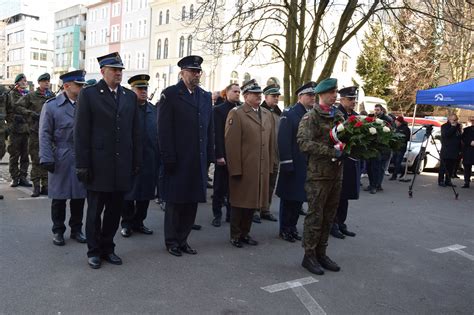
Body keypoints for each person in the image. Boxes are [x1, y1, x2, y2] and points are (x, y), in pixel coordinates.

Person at [75, 52, 142, 269]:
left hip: (121, 165)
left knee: (114, 211)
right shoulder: (90, 95)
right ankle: (93, 251)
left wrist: (136, 161)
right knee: (95, 211)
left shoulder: (129, 96)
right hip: (98, 165)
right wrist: (82, 164)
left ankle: (108, 247)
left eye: (121, 70)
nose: (119, 73)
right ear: (103, 71)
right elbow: (81, 132)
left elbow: (135, 132)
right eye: (114, 70)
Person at [158, 55, 214, 257]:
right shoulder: (171, 94)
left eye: (198, 71)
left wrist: (210, 155)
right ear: (182, 73)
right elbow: (163, 130)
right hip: (178, 158)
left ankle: (183, 240)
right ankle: (172, 241)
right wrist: (168, 157)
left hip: (197, 158)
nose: (196, 74)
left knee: (191, 202)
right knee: (175, 202)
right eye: (192, 71)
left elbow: (209, 128)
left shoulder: (205, 96)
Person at [297, 77, 344, 275]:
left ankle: (321, 253)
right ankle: (309, 256)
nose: (335, 96)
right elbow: (303, 143)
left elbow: (347, 137)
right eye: (331, 93)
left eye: (336, 92)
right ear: (321, 94)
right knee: (315, 216)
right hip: (318, 175)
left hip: (336, 174)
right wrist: (331, 151)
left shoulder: (338, 115)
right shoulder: (311, 117)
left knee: (329, 216)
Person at [39, 70, 88, 246]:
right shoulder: (51, 106)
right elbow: (44, 134)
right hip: (60, 155)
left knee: (79, 197)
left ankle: (76, 229)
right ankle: (58, 230)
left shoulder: (86, 104)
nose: (82, 88)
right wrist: (46, 157)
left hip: (80, 156)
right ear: (67, 86)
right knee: (59, 198)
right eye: (79, 85)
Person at [225, 79, 275, 248]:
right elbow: (231, 144)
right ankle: (236, 235)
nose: (259, 97)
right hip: (244, 167)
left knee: (253, 203)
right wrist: (235, 169)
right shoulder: (237, 113)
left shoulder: (267, 115)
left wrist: (270, 165)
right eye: (255, 94)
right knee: (240, 203)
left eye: (260, 94)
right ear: (246, 96)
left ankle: (245, 233)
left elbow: (270, 143)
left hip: (260, 167)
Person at [276, 82, 316, 242]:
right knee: (288, 199)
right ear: (300, 96)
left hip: (306, 164)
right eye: (309, 95)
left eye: (314, 95)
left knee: (299, 199)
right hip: (293, 162)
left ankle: (292, 228)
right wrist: (286, 162)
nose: (312, 98)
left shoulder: (312, 114)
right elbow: (283, 140)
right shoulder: (290, 114)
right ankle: (284, 229)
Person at [120, 74, 158, 238]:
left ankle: (139, 222)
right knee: (129, 194)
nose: (143, 91)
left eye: (145, 89)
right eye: (139, 89)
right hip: (130, 159)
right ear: (132, 90)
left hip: (149, 158)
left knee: (145, 194)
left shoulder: (153, 110)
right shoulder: (125, 109)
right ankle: (127, 223)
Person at [15, 73, 55, 197]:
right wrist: (30, 114)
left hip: (49, 133)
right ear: (39, 83)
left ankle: (46, 186)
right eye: (44, 81)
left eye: (48, 81)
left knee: (47, 158)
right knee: (36, 159)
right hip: (34, 132)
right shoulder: (31, 96)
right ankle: (36, 186)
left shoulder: (52, 96)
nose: (47, 83)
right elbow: (18, 106)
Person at [330, 86, 360, 239]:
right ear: (341, 99)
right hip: (338, 159)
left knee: (346, 194)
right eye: (350, 99)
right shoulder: (335, 114)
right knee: (336, 195)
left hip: (351, 160)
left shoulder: (355, 115)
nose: (353, 102)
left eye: (354, 99)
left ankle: (342, 223)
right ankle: (332, 224)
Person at [250, 83, 281, 224]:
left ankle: (265, 209)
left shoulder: (279, 113)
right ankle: (255, 209)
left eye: (277, 96)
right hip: (263, 153)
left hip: (275, 153)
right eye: (273, 96)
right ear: (266, 97)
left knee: (271, 182)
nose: (276, 98)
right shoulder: (260, 111)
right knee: (260, 182)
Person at [211, 83, 241, 227]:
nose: (237, 94)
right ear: (227, 92)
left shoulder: (241, 109)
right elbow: (217, 134)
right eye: (235, 91)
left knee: (234, 187)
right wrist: (219, 155)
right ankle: (217, 214)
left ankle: (230, 214)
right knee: (219, 187)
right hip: (224, 154)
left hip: (237, 155)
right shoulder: (219, 110)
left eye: (239, 92)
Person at [6, 73, 32, 188]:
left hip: (27, 130)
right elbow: (8, 110)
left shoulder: (28, 95)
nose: (24, 82)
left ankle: (23, 177)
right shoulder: (11, 94)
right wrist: (12, 119)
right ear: (17, 82)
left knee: (25, 156)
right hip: (15, 129)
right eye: (22, 80)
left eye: (25, 80)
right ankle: (14, 178)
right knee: (14, 155)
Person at [438, 114, 462, 187]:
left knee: (451, 167)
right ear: (449, 119)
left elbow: (459, 138)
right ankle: (441, 180)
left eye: (456, 120)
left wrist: (460, 149)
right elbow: (446, 135)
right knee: (443, 167)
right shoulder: (445, 126)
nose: (455, 121)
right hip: (446, 150)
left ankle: (448, 181)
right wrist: (453, 127)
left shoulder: (458, 127)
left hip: (455, 150)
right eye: (453, 120)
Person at [389, 116, 411, 181]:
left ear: (400, 122)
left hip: (401, 147)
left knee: (398, 161)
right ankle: (402, 170)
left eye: (397, 122)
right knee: (394, 161)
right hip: (396, 147)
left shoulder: (406, 129)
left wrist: (400, 139)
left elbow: (407, 138)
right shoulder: (397, 128)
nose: (396, 123)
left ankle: (394, 175)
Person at [461, 116, 474, 188]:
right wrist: (469, 142)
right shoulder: (466, 130)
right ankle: (466, 182)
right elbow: (463, 139)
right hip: (468, 151)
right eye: (472, 121)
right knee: (467, 168)